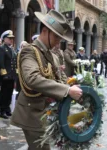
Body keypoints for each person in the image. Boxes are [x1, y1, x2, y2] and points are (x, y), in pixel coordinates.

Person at [11, 9, 82, 150]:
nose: (58, 42)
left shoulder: (53, 55)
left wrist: (74, 86)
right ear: (45, 31)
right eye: (56, 37)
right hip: (32, 113)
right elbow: (32, 78)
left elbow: (60, 78)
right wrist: (67, 90)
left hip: (46, 112)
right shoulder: (30, 51)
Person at [0, 30, 17, 119]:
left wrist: (15, 74)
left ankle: (7, 109)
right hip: (5, 76)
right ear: (4, 39)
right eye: (9, 38)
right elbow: (1, 63)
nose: (11, 40)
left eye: (12, 38)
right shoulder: (1, 48)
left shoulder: (11, 49)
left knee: (9, 93)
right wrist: (4, 75)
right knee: (4, 93)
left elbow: (14, 62)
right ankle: (2, 110)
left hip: (11, 75)